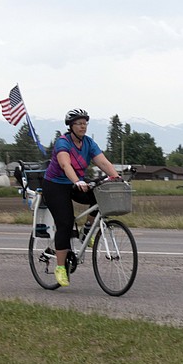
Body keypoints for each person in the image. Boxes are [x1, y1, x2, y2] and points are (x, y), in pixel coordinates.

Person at [41, 108, 121, 287]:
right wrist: (77, 181)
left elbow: (102, 162)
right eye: (79, 123)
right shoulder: (63, 142)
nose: (83, 126)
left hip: (76, 182)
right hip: (55, 185)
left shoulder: (88, 143)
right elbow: (64, 164)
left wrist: (116, 177)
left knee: (100, 194)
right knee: (66, 222)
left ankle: (87, 229)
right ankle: (60, 267)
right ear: (71, 126)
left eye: (85, 123)